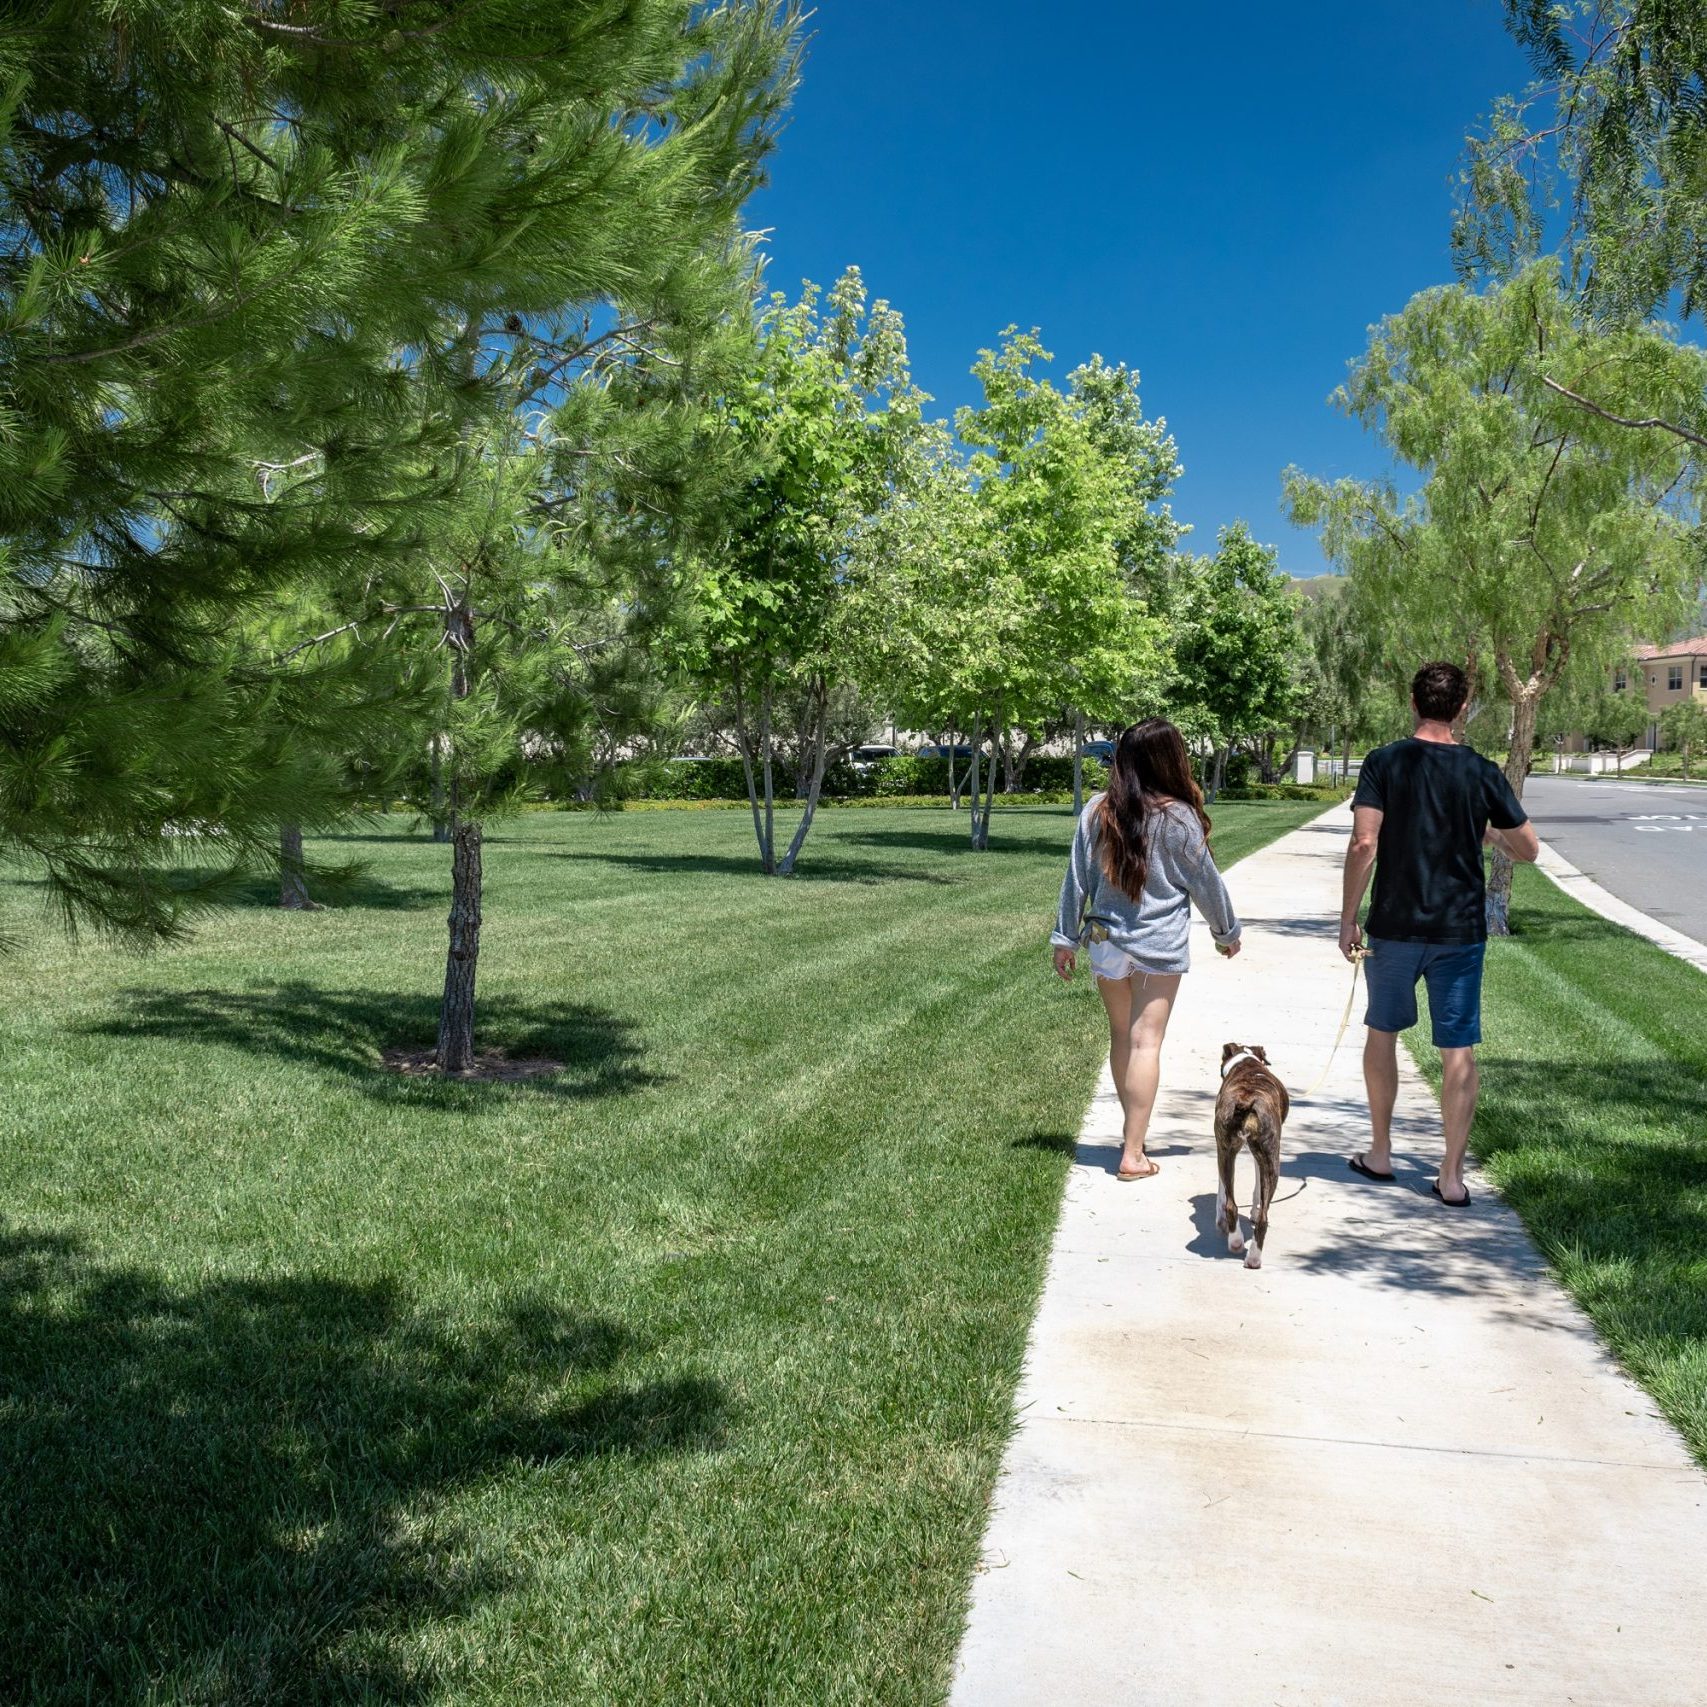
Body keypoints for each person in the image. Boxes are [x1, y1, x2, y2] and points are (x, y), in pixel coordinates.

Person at [1339, 661, 1540, 1206]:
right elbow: (1529, 848)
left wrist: (1347, 917)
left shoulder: (1383, 763)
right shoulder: (1481, 771)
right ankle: (1450, 1178)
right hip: (1459, 932)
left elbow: (1364, 844)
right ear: (1464, 706)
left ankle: (1380, 1154)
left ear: (1412, 702)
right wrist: (1491, 836)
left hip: (1394, 927)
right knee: (1458, 1048)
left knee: (1383, 1033)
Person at [1052, 718, 1242, 1181]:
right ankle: (1133, 1152)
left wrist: (1064, 936)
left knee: (1124, 1038)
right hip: (1157, 945)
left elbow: (1075, 879)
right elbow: (1207, 885)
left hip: (1106, 942)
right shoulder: (1179, 817)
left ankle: (1131, 1133)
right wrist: (1226, 931)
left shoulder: (1098, 810)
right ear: (1170, 758)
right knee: (1146, 1042)